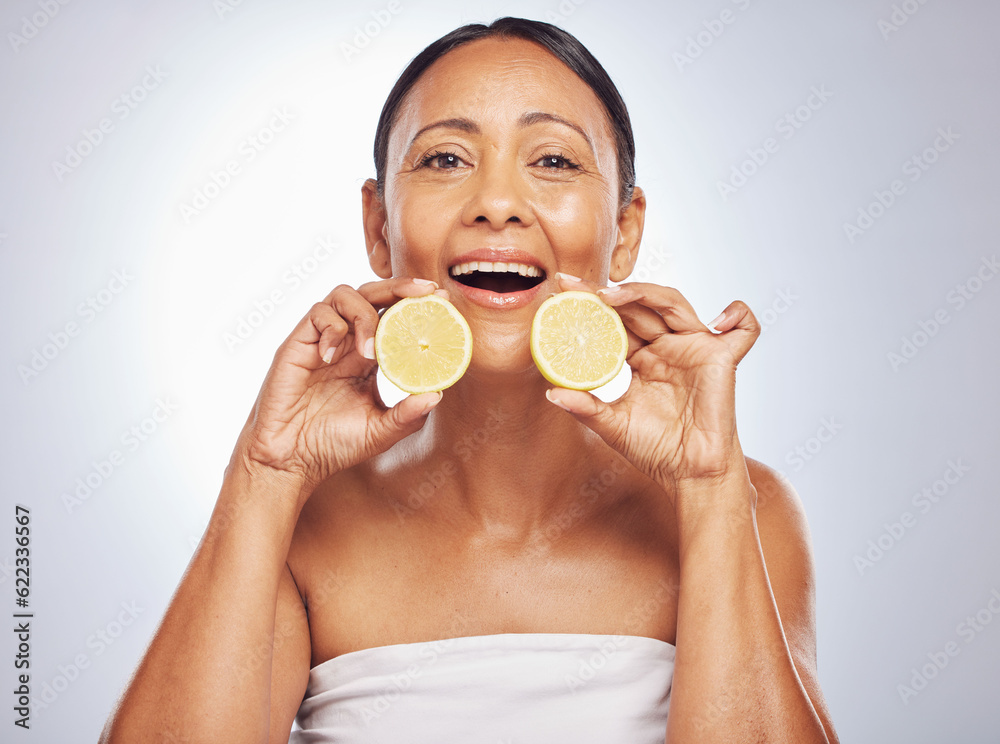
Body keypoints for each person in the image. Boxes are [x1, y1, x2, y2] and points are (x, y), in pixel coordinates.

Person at [100, 17, 839, 744]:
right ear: (379, 226)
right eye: (446, 159)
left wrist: (708, 488)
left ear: (627, 229)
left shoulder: (744, 505)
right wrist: (266, 473)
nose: (498, 202)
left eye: (553, 161)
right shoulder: (303, 527)